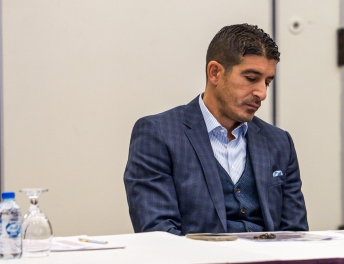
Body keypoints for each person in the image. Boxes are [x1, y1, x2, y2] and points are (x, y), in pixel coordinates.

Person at [124, 24, 308, 235]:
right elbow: (159, 234)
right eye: (251, 78)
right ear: (215, 73)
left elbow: (295, 233)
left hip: (269, 257)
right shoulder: (159, 134)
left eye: (267, 82)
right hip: (196, 257)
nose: (262, 93)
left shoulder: (279, 142)